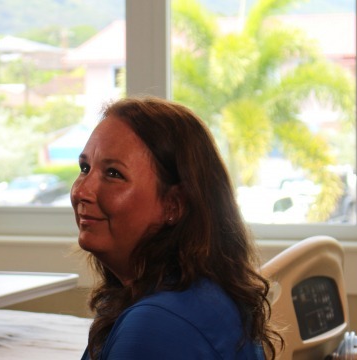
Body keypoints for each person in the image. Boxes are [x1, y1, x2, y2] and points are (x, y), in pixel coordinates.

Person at [71, 96, 283, 359]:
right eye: (84, 168)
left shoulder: (157, 326)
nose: (82, 191)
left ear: (174, 205)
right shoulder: (199, 293)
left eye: (113, 174)